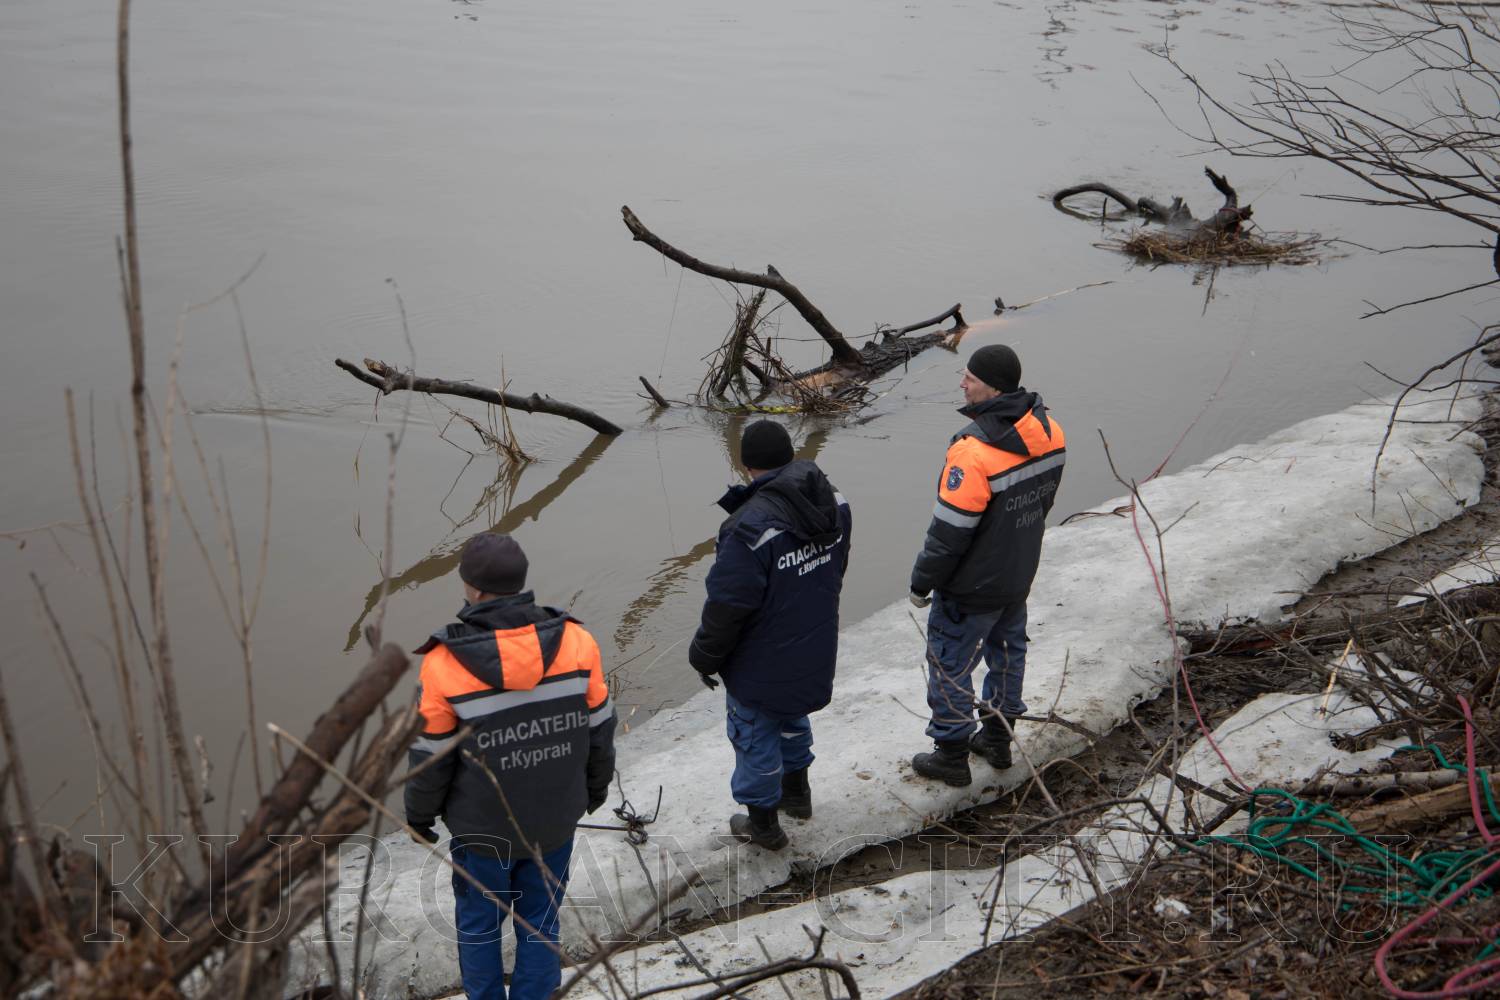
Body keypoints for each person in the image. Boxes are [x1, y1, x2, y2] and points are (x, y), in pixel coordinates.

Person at [405, 533, 615, 1000]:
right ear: (521, 582)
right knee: (540, 920)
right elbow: (601, 729)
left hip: (482, 831)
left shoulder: (444, 663)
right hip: (555, 822)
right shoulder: (576, 642)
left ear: (471, 587)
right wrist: (594, 790)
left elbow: (429, 758)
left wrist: (419, 816)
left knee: (479, 924)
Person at [689, 420, 852, 850]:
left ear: (745, 466)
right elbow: (837, 567)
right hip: (814, 642)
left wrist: (703, 656)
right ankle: (797, 794)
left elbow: (727, 607)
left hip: (761, 657)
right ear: (791, 455)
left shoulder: (748, 529)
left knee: (754, 732)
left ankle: (763, 826)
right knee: (791, 715)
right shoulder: (832, 499)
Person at [908, 344, 1065, 787]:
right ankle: (997, 739)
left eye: (970, 378)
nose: (962, 384)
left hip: (971, 586)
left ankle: (951, 755)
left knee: (950, 664)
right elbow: (1043, 501)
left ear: (993, 388)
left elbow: (949, 533)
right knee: (1008, 654)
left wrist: (922, 582)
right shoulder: (1051, 430)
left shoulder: (972, 452)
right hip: (1017, 573)